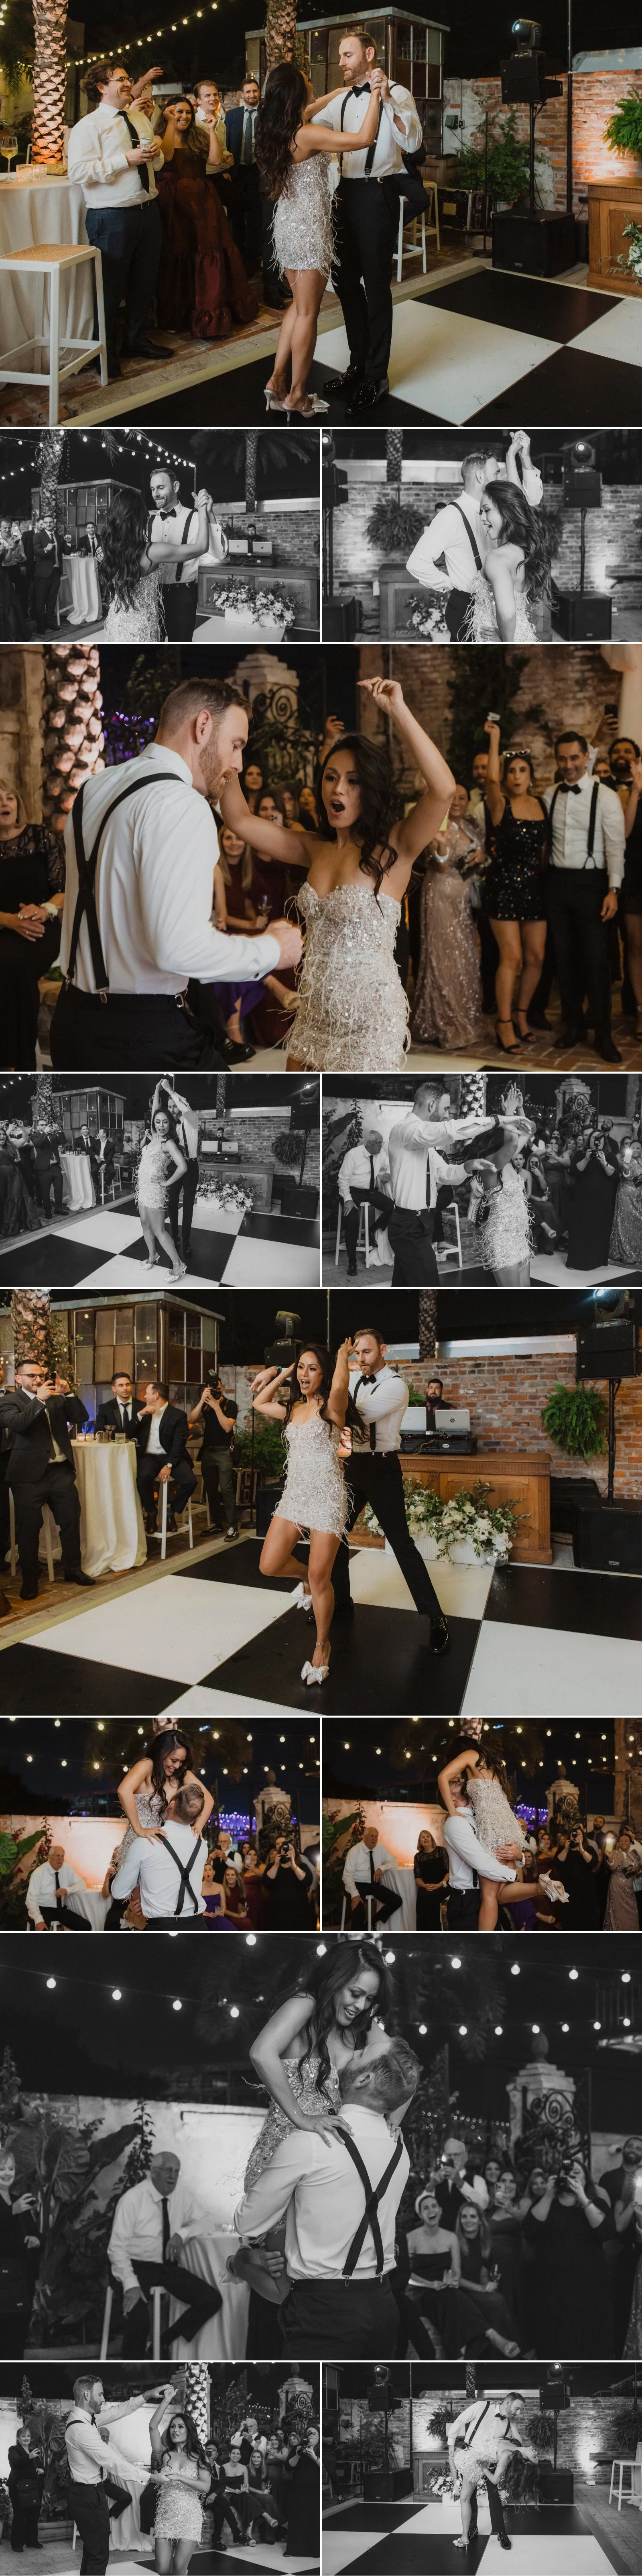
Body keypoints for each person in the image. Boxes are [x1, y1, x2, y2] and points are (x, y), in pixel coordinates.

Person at [50, 677, 302, 1072]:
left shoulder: (96, 787)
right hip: (139, 1036)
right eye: (236, 745)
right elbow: (178, 949)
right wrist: (273, 950)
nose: (237, 765)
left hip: (73, 1023)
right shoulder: (180, 804)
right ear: (203, 726)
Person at [220, 677, 455, 1071]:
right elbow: (241, 819)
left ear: (371, 789)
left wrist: (398, 710)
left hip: (370, 1020)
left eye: (353, 780)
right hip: (315, 1014)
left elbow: (443, 790)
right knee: (299, 1112)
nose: (338, 789)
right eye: (331, 777)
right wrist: (227, 754)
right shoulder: (313, 846)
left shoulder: (396, 848)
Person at [235, 2038, 419, 2359]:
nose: (351, 2052)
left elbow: (247, 2222)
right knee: (369, 2406)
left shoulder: (311, 2142)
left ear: (364, 2079)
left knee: (317, 2406)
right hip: (384, 2308)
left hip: (324, 2313)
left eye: (361, 2053)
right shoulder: (400, 2150)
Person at [306, 28, 423, 414]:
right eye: (340, 55)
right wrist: (325, 97)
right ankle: (357, 364)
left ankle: (377, 375)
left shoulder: (399, 93)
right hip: (344, 195)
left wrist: (387, 99)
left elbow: (413, 144)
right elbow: (303, 118)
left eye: (347, 55)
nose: (340, 62)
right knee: (344, 282)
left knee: (376, 286)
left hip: (378, 193)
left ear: (369, 54)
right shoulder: (340, 97)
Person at [258, 65, 379, 420]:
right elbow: (363, 139)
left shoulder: (279, 128)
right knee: (309, 313)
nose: (313, 84)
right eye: (307, 81)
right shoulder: (308, 135)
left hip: (287, 226)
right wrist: (374, 93)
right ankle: (297, 395)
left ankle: (276, 380)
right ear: (297, 93)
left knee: (297, 307)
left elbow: (315, 105)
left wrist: (342, 92)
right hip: (310, 229)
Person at [329, 1325, 449, 1651]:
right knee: (336, 1535)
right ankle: (340, 1603)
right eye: (356, 1353)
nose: (361, 1359)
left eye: (366, 1352)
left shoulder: (397, 1386)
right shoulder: (352, 1379)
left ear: (383, 1351)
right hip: (352, 1466)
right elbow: (334, 1406)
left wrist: (332, 1400)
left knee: (401, 1543)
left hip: (382, 1468)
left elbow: (351, 1416)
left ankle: (436, 1618)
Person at [251, 1337, 353, 1684]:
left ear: (323, 1374)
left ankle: (322, 1645)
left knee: (321, 1577)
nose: (306, 1374)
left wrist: (340, 1356)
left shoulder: (331, 1409)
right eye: (303, 1368)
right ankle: (302, 1580)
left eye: (313, 1368)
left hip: (327, 1497)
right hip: (295, 1497)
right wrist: (285, 1371)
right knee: (269, 1565)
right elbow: (260, 1402)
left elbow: (341, 1384)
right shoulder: (294, 1408)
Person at [67, 62, 172, 380]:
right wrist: (123, 160)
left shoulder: (139, 118)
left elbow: (159, 161)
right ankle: (105, 354)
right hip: (111, 217)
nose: (129, 83)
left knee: (144, 283)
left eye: (128, 78)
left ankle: (136, 341)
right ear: (102, 86)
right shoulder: (89, 126)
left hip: (147, 211)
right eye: (122, 79)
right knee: (110, 290)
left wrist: (156, 154)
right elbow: (78, 172)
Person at [407, 437, 544, 640]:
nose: (502, 477)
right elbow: (417, 563)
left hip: (501, 603)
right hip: (468, 607)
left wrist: (518, 458)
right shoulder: (451, 516)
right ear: (481, 476)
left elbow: (529, 499)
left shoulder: (499, 510)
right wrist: (452, 585)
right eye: (497, 473)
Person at [544, 731, 625, 1062]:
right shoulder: (549, 795)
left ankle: (603, 1035)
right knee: (565, 960)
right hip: (558, 884)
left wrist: (613, 889)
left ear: (586, 757)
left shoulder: (606, 796)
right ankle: (574, 1025)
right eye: (562, 759)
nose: (568, 765)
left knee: (596, 961)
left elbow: (615, 845)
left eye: (574, 758)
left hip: (593, 885)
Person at [156, 97, 257, 346]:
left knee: (208, 252)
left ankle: (211, 316)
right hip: (173, 206)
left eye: (188, 112)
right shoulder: (159, 138)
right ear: (168, 113)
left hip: (203, 202)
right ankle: (179, 315)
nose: (184, 116)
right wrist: (170, 123)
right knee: (178, 254)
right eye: (178, 112)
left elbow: (214, 161)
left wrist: (211, 130)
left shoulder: (198, 136)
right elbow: (167, 157)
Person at [108, 2150, 223, 2356]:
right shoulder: (133, 2199)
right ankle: (136, 2366)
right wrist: (130, 2285)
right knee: (141, 2321)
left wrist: (182, 2234)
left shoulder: (181, 2196)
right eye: (168, 2170)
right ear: (154, 2172)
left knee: (211, 2299)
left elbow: (207, 2221)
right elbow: (117, 2248)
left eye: (177, 2172)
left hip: (164, 2266)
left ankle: (163, 2343)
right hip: (131, 2266)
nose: (173, 2176)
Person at [384, 1084, 497, 1284]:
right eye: (446, 1109)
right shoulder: (405, 1130)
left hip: (421, 1223)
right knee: (429, 1287)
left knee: (404, 1284)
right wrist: (496, 1121)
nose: (447, 1116)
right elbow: (448, 1130)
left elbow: (443, 1173)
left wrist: (468, 1166)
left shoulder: (422, 1143)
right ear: (432, 1104)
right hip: (409, 1225)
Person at [0, 1359, 91, 1604]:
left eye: (40, 1375)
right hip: (28, 1477)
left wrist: (68, 1392)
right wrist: (39, 1400)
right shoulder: (8, 1401)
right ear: (18, 1379)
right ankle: (31, 1577)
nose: (37, 1380)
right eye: (31, 1376)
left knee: (71, 1521)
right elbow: (19, 1424)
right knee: (29, 1530)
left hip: (60, 1471)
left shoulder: (56, 1398)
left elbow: (82, 1416)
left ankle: (73, 1569)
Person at [483, 721, 549, 1053]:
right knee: (513, 957)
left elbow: (544, 851)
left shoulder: (542, 805)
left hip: (535, 887)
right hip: (504, 885)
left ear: (531, 775)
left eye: (523, 770)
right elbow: (491, 778)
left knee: (536, 958)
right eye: (513, 771)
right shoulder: (500, 804)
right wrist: (496, 738)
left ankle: (522, 1016)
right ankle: (504, 1024)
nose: (517, 776)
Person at [410, 790, 485, 1054]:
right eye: (453, 797)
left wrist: (481, 858)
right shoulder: (438, 825)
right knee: (442, 955)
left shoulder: (471, 826)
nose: (457, 802)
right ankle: (445, 1022)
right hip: (440, 894)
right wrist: (441, 844)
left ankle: (463, 1015)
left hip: (464, 899)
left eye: (462, 798)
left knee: (464, 955)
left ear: (468, 802)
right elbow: (440, 865)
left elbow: (480, 856)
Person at [0, 780, 65, 1070]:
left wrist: (43, 909)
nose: (5, 804)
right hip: (4, 927)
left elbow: (64, 889)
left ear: (18, 804)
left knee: (16, 963)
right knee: (9, 962)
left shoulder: (41, 837)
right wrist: (11, 921)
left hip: (43, 927)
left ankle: (19, 1063)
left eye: (10, 797)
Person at [63, 2373, 155, 2576]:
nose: (104, 2399)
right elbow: (112, 2461)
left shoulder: (89, 2420)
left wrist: (148, 2395)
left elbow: (118, 2411)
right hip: (85, 2495)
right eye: (101, 2394)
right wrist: (150, 2478)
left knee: (94, 2551)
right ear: (88, 2394)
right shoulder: (80, 2429)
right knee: (99, 2554)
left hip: (95, 2492)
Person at [524, 2158, 614, 2356]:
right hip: (551, 2287)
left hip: (588, 2287)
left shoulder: (595, 2203)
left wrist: (582, 2197)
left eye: (577, 2173)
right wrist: (549, 2195)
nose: (572, 2177)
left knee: (587, 2341)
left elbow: (606, 2232)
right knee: (553, 2342)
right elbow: (530, 2231)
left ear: (586, 2180)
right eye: (568, 2174)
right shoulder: (546, 2202)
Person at [100, 486, 212, 643]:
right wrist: (202, 512)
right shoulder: (152, 551)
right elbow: (201, 547)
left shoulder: (106, 550)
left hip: (118, 624)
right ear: (140, 517)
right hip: (142, 627)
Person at [449, 2393, 537, 2556]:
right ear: (508, 2402)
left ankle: (501, 2533)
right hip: (471, 2455)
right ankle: (471, 2530)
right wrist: (451, 2444)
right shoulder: (482, 2407)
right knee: (469, 2497)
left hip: (492, 2460)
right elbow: (460, 2420)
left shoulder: (511, 2421)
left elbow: (518, 2442)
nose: (519, 2413)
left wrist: (510, 2443)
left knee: (495, 2494)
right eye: (517, 2409)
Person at [461, 481, 551, 642]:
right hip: (522, 634)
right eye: (481, 512)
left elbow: (509, 614)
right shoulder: (525, 550)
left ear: (507, 511)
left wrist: (505, 641)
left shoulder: (497, 558)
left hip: (503, 638)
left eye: (487, 510)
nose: (482, 518)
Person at [110, 1783, 209, 1927]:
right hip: (198, 1927)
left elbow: (119, 1892)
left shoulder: (145, 1843)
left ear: (172, 1805)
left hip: (162, 1928)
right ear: (198, 1816)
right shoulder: (202, 1845)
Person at [148, 2395, 209, 2576]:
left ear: (189, 2431)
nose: (175, 2430)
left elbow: (205, 2487)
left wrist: (180, 2477)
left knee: (180, 2568)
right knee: (163, 2570)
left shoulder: (200, 2457)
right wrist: (166, 2401)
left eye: (181, 2427)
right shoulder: (165, 2455)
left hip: (190, 2517)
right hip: (166, 2517)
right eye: (173, 2426)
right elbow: (153, 2427)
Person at [134, 1382, 197, 1536]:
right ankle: (151, 1513)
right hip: (149, 1456)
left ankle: (171, 1511)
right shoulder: (143, 1413)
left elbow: (179, 1444)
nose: (144, 1396)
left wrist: (169, 1465)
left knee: (191, 1481)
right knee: (143, 1478)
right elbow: (130, 1433)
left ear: (156, 1396)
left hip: (171, 1456)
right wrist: (140, 1415)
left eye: (147, 1393)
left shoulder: (178, 1415)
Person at [150, 1077, 201, 1264]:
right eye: (169, 1107)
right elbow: (156, 1114)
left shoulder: (192, 1121)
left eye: (174, 1106)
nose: (172, 1110)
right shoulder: (169, 1128)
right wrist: (158, 1092)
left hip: (192, 1166)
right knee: (172, 1204)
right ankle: (174, 1236)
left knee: (188, 1207)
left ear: (181, 1105)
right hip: (174, 1168)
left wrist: (170, 1090)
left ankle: (186, 1240)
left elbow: (186, 1109)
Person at [135, 1109, 188, 1279]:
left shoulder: (168, 1143)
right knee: (145, 1224)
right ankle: (153, 1256)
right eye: (158, 1122)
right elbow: (155, 1110)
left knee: (160, 1230)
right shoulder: (154, 1138)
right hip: (142, 1188)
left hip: (154, 1191)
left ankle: (179, 1264)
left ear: (170, 1123)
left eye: (165, 1122)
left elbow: (183, 1167)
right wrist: (157, 1090)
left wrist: (166, 1183)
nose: (161, 1125)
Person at [189, 1376, 238, 1540]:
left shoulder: (230, 1405)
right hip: (208, 1452)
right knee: (210, 1491)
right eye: (211, 1390)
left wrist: (217, 1407)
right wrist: (203, 1401)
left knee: (226, 1489)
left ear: (222, 1388)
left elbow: (227, 1427)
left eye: (217, 1389)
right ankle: (217, 1524)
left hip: (224, 1452)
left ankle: (233, 1526)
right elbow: (191, 1419)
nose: (215, 1392)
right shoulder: (206, 1405)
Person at [337, 1127, 391, 1275]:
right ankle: (352, 1261)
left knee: (392, 1207)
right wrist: (347, 1200)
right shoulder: (353, 1155)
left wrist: (388, 1172)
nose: (381, 1146)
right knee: (353, 1221)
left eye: (382, 1143)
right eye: (379, 1143)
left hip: (370, 1191)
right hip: (352, 1192)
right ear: (369, 1143)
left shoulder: (381, 1154)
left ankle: (370, 1231)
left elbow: (390, 1166)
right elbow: (343, 1179)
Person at [565, 1121, 619, 1269]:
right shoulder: (581, 1154)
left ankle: (597, 1261)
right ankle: (576, 1262)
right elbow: (575, 1172)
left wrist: (604, 1162)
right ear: (590, 1140)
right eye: (594, 1138)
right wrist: (587, 1159)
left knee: (599, 1231)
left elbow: (615, 1176)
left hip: (602, 1202)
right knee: (580, 1230)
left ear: (604, 1141)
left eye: (600, 1139)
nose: (597, 1141)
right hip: (583, 1200)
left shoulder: (610, 1155)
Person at [341, 1823, 403, 1927]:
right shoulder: (355, 1851)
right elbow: (347, 1876)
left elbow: (394, 1862)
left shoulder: (381, 1848)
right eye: (372, 1836)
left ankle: (370, 1924)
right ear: (365, 1838)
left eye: (376, 1836)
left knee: (396, 1901)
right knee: (359, 1913)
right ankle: (358, 1936)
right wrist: (355, 1894)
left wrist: (381, 1869)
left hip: (373, 1885)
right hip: (356, 1885)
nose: (374, 1838)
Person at [25, 1840, 89, 1929]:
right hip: (42, 1910)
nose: (60, 1859)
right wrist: (39, 1920)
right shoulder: (39, 1873)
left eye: (62, 1856)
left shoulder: (67, 1869)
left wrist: (67, 1890)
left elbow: (82, 1885)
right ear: (50, 1858)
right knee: (42, 1936)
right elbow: (31, 1900)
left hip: (60, 1910)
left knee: (85, 1926)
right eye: (58, 1856)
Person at [7, 2427, 43, 2555]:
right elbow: (15, 2464)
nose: (26, 2438)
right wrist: (29, 2457)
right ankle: (17, 2544)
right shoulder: (14, 2450)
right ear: (18, 2438)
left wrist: (41, 2470)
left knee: (34, 2514)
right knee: (20, 2515)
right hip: (19, 2488)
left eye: (28, 2436)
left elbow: (40, 2466)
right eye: (23, 2436)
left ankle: (32, 2541)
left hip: (34, 2487)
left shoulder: (34, 2451)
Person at [609, 1137, 642, 1264]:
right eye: (632, 1147)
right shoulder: (628, 1160)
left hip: (638, 1196)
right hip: (626, 1193)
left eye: (638, 1148)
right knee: (625, 1222)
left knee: (636, 1223)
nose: (635, 1150)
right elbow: (624, 1175)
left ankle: (636, 1249)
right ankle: (625, 1252)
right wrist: (627, 1169)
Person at [602, 1825, 640, 1930]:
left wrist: (636, 1869)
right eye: (621, 1841)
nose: (623, 1843)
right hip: (617, 1887)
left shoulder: (634, 1855)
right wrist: (610, 1858)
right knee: (617, 1912)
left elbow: (638, 1869)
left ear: (630, 1842)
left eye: (626, 1841)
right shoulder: (615, 1853)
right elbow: (612, 1867)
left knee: (632, 1911)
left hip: (630, 1889)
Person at [414, 1828, 449, 1926]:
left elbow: (448, 1872)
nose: (426, 1839)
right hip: (427, 1886)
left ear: (432, 1839)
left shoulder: (441, 1851)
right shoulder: (418, 1857)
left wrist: (441, 1884)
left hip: (444, 1884)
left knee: (432, 1898)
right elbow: (418, 1877)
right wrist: (424, 1886)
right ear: (420, 1841)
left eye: (428, 1836)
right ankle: (422, 1934)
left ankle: (435, 1931)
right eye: (423, 1837)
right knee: (421, 1899)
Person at [95, 1371, 144, 1439]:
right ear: (114, 1389)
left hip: (137, 1447)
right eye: (121, 1385)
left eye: (128, 1385)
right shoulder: (105, 1408)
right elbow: (99, 1429)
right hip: (114, 1447)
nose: (125, 1388)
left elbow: (145, 1432)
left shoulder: (143, 1406)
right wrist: (100, 1436)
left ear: (131, 1387)